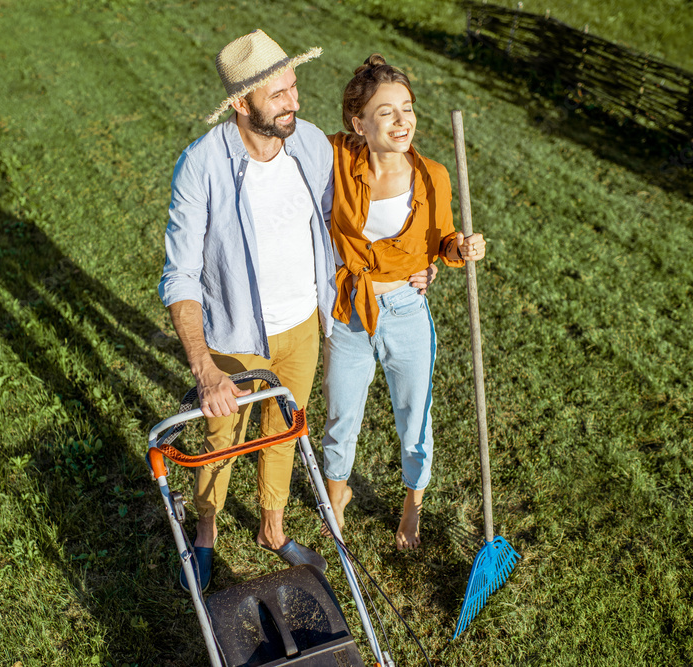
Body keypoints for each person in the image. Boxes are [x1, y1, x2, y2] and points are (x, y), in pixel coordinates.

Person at [158, 29, 338, 592]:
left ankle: (273, 527)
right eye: (279, 94)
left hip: (302, 326)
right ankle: (206, 533)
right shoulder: (202, 166)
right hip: (234, 335)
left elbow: (341, 226)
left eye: (293, 87)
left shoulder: (310, 143)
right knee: (221, 441)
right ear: (241, 104)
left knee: (285, 431)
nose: (295, 102)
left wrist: (414, 264)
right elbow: (181, 275)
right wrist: (205, 370)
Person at [321, 54, 487, 551]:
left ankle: (411, 508)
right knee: (340, 413)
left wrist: (462, 248)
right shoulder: (333, 157)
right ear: (359, 123)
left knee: (415, 414)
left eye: (408, 108)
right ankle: (336, 498)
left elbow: (442, 240)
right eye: (387, 112)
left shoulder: (432, 175)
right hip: (349, 310)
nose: (402, 121)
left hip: (406, 310)